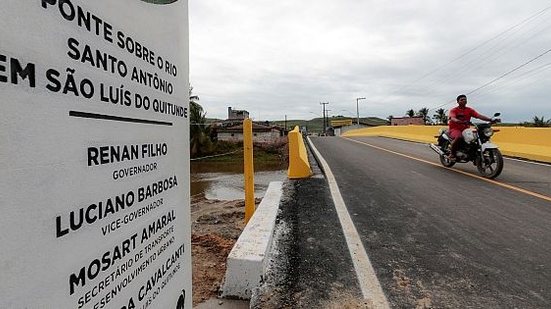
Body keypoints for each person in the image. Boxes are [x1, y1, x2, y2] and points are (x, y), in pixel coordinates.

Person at [447, 94, 495, 161]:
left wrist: (490, 119)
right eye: (462, 100)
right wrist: (459, 121)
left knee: (475, 138)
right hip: (454, 129)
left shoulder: (469, 110)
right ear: (458, 102)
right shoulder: (454, 110)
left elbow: (479, 116)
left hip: (465, 129)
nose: (464, 100)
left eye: (465, 99)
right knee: (459, 137)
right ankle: (452, 154)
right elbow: (453, 118)